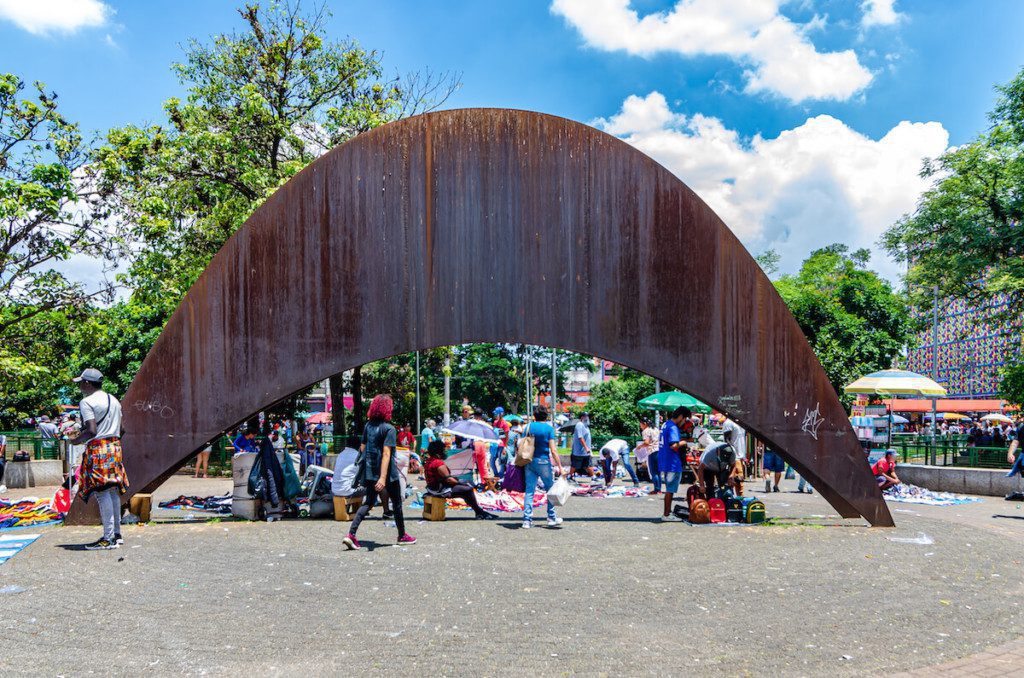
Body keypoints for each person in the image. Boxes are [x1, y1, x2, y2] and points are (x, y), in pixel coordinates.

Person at [344, 395, 416, 550]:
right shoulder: (389, 429)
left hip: (370, 471)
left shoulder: (368, 426)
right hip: (388, 474)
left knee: (369, 502)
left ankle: (351, 535)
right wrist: (383, 478)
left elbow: (362, 448)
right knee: (396, 503)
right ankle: (402, 535)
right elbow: (386, 454)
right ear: (387, 409)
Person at [69, 368, 128, 550]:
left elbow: (91, 430)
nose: (80, 386)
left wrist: (75, 441)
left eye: (81, 383)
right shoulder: (114, 400)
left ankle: (107, 538)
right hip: (114, 447)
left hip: (98, 448)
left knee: (102, 493)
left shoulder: (87, 402)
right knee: (112, 491)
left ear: (87, 383)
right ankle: (117, 535)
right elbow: (122, 428)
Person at [424, 440, 497, 519]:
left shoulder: (429, 461)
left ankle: (479, 512)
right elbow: (449, 479)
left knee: (464, 491)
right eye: (443, 449)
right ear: (438, 451)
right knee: (468, 489)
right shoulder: (438, 463)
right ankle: (479, 512)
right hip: (439, 490)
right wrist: (462, 483)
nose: (445, 451)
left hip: (432, 488)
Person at [521, 406, 565, 529]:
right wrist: (560, 466)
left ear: (534, 416)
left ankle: (527, 520)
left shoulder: (528, 427)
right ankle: (551, 517)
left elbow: (521, 443)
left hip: (529, 460)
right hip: (543, 461)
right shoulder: (549, 429)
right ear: (546, 416)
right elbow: (553, 450)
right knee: (550, 490)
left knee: (530, 491)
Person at [657, 406, 691, 522]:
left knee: (669, 488)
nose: (684, 422)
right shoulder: (673, 428)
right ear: (681, 416)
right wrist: (684, 442)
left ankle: (668, 513)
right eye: (685, 419)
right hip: (672, 462)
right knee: (670, 489)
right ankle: (666, 514)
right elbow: (674, 445)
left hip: (664, 460)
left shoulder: (665, 424)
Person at [636, 419, 661, 493]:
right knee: (658, 471)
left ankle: (656, 489)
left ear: (644, 423)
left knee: (653, 471)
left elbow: (646, 443)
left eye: (640, 424)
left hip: (652, 451)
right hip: (659, 450)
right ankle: (659, 489)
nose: (640, 426)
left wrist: (640, 446)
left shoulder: (646, 431)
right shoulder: (656, 429)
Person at [570, 412, 594, 480]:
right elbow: (580, 437)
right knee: (575, 465)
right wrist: (586, 448)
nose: (588, 418)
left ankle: (593, 476)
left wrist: (589, 449)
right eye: (586, 416)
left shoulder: (586, 426)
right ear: (582, 417)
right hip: (579, 451)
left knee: (588, 465)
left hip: (586, 452)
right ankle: (570, 476)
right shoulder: (579, 425)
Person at [491, 407, 511, 478]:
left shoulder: (505, 424)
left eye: (496, 414)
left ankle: (501, 477)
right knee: (491, 462)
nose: (495, 415)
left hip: (502, 446)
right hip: (494, 446)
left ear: (501, 414)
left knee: (502, 463)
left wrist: (505, 447)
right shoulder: (495, 422)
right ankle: (496, 475)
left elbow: (507, 437)